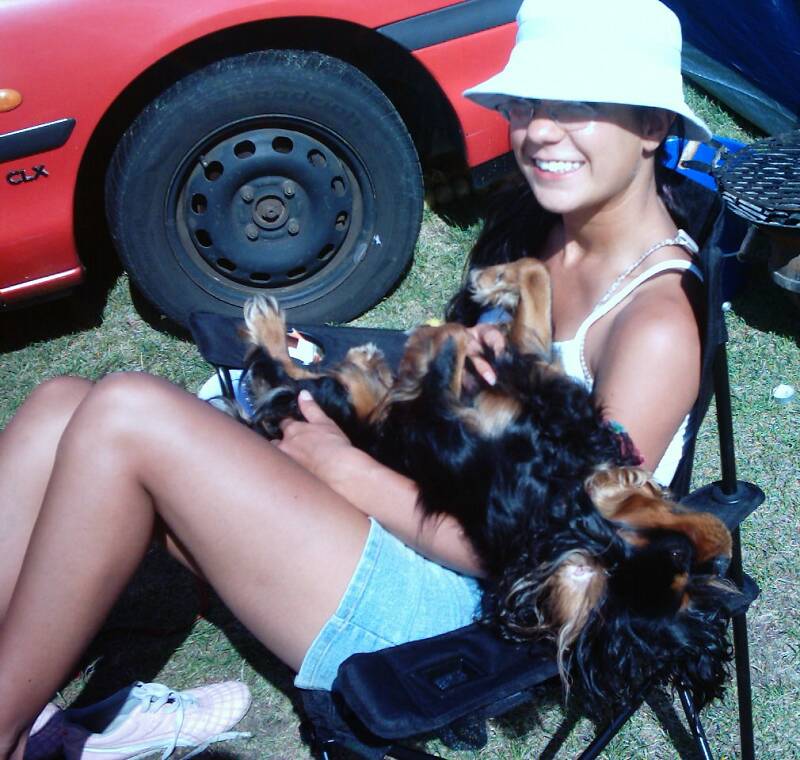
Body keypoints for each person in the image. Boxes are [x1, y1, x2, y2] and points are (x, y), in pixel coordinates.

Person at [0, 0, 713, 756]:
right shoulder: (546, 233)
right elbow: (506, 431)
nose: (539, 130)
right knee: (59, 406)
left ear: (651, 125)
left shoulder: (655, 326)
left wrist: (340, 468)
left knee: (125, 413)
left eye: (578, 106)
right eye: (526, 104)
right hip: (412, 505)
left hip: (461, 613)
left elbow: (555, 557)